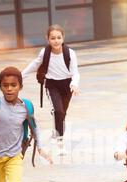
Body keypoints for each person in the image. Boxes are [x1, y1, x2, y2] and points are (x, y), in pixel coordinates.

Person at [21, 24, 80, 154]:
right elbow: (35, 65)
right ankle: (60, 141)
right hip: (52, 85)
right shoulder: (45, 52)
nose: (56, 40)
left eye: (59, 37)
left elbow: (75, 72)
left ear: (63, 38)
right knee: (58, 111)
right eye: (53, 38)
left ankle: (56, 132)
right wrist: (21, 76)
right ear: (48, 39)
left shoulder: (70, 53)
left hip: (67, 86)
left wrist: (74, 84)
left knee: (62, 114)